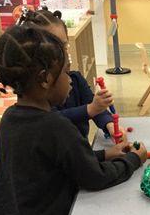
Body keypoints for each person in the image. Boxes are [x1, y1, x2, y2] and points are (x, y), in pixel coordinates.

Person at [0, 25, 148, 215]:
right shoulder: (55, 126)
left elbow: (52, 164)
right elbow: (94, 178)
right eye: (65, 73)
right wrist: (133, 160)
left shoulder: (11, 118)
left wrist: (103, 154)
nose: (71, 81)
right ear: (45, 78)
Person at [17, 7, 125, 140]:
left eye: (64, 46)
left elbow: (96, 109)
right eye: (54, 48)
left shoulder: (76, 79)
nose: (63, 54)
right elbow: (52, 120)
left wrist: (109, 125)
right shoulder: (37, 95)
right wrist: (90, 108)